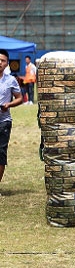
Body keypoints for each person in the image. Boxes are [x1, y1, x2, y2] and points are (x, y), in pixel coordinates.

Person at [0, 49, 23, 188]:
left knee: (0, 154)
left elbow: (19, 98)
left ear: (7, 63)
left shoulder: (10, 80)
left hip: (3, 122)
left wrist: (9, 104)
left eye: (2, 60)